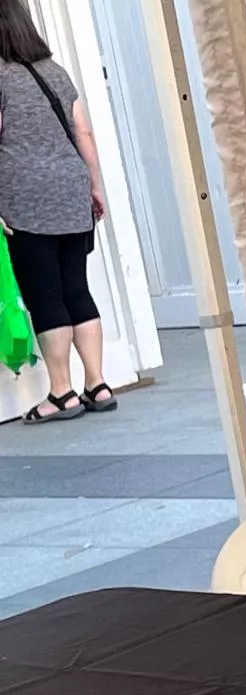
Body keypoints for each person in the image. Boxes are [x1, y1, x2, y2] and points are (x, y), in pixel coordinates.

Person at [0, 0, 113, 424]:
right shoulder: (54, 70)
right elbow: (82, 130)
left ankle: (61, 393)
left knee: (45, 295)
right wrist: (94, 185)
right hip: (70, 190)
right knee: (76, 289)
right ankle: (98, 384)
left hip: (26, 200)